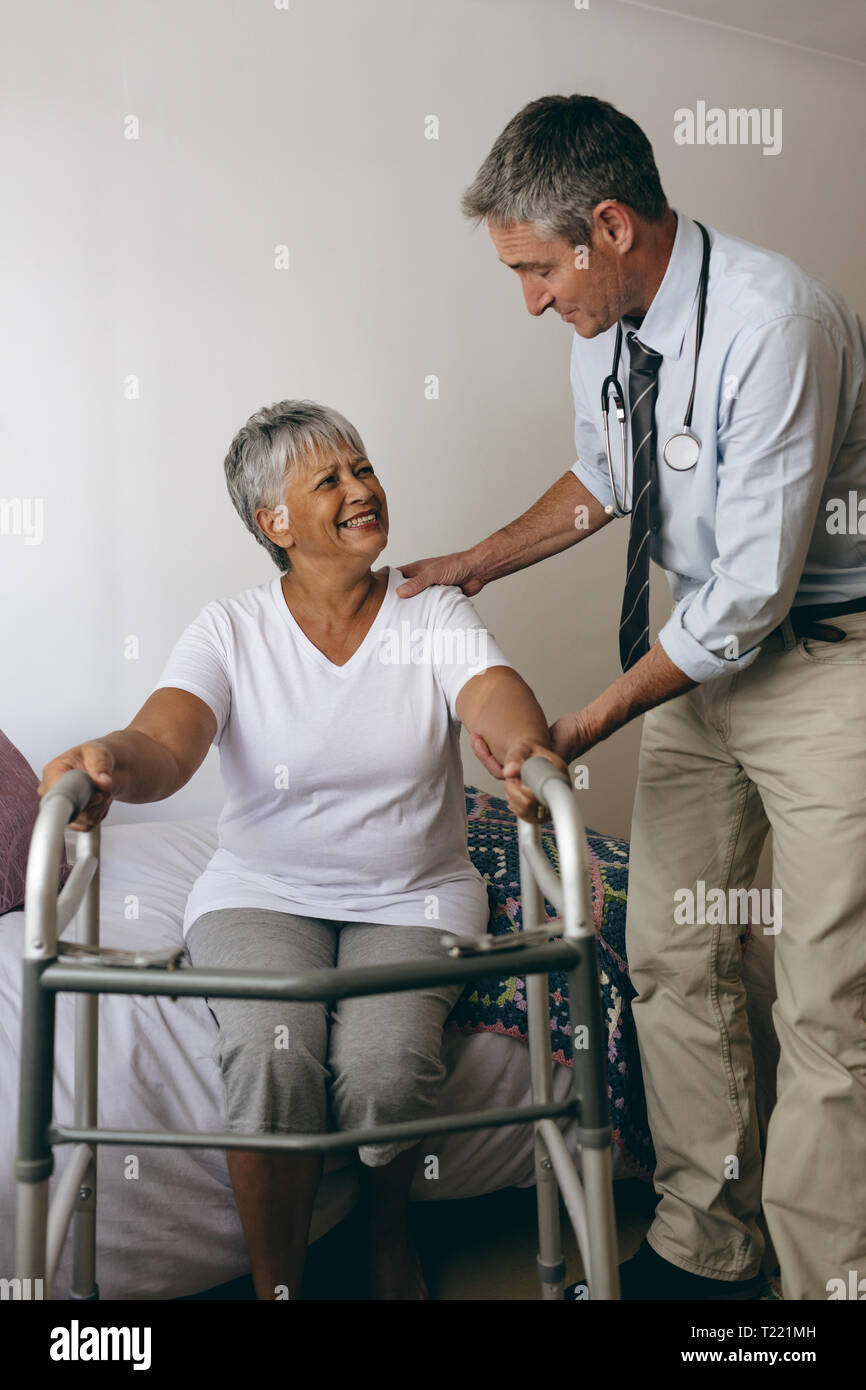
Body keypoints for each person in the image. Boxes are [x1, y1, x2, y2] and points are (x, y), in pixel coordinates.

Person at [396, 94, 866, 1301]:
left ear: (609, 225)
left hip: (823, 664)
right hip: (704, 663)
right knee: (666, 951)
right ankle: (706, 1238)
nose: (532, 299)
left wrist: (586, 720)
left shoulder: (774, 322)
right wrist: (471, 563)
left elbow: (751, 597)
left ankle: (819, 1287)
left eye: (537, 269)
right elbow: (600, 482)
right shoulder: (608, 322)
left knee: (826, 999)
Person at [38, 398, 567, 1300]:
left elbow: (493, 693)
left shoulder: (427, 609)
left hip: (415, 893)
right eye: (331, 480)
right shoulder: (231, 628)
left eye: (363, 468)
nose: (362, 489)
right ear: (272, 522)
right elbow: (166, 743)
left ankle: (386, 1226)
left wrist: (520, 748)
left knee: (384, 1070)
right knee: (273, 1056)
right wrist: (106, 763)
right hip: (262, 890)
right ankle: (276, 1286)